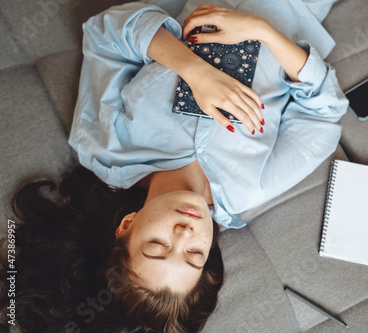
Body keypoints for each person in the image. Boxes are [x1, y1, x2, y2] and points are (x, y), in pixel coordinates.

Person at [1, 0, 348, 332]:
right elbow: (324, 114)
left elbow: (106, 34)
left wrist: (193, 69)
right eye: (194, 254)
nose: (184, 234)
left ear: (127, 226)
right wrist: (264, 31)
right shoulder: (250, 186)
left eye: (158, 246)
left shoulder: (104, 149)